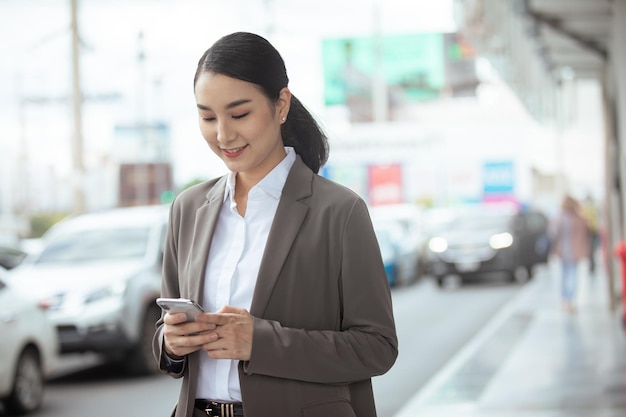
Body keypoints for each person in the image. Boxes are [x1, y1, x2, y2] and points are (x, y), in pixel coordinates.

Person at [152, 32, 398, 417]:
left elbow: (377, 347)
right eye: (207, 116)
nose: (222, 135)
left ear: (280, 105)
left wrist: (259, 342)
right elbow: (165, 331)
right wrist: (171, 342)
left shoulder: (339, 211)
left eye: (239, 114)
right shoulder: (188, 208)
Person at [551, 195, 590, 313]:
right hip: (574, 251)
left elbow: (552, 233)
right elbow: (587, 234)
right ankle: (570, 299)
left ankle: (566, 299)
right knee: (573, 275)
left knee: (565, 276)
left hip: (564, 251)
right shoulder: (580, 219)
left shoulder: (559, 218)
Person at [581, 195, 600, 274]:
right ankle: (592, 264)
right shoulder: (593, 207)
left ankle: (592, 265)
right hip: (594, 230)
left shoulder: (585, 208)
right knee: (592, 249)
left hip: (589, 231)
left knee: (591, 249)